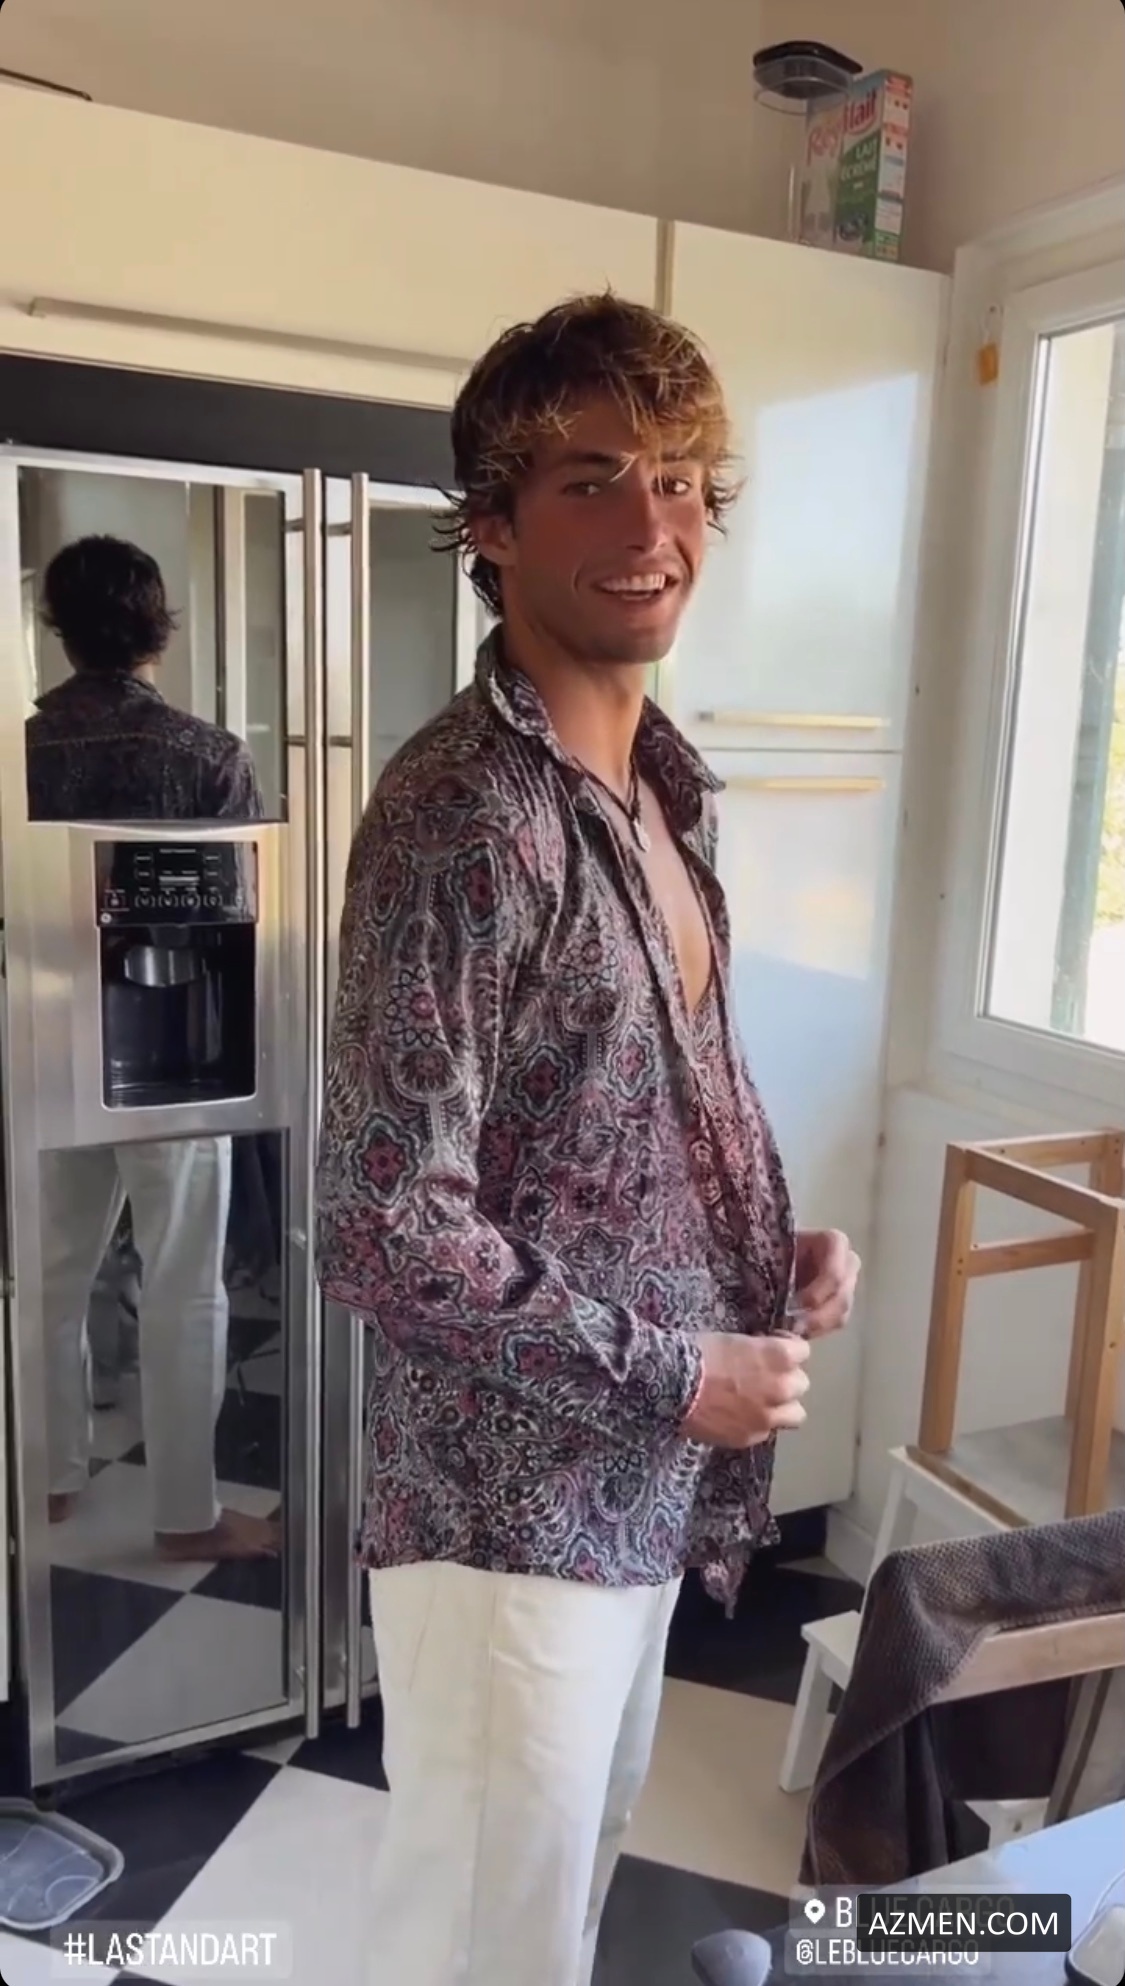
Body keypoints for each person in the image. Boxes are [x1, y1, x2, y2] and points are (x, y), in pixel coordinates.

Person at [316, 296, 861, 1986]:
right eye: (593, 479)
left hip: (628, 1495)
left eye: (683, 478)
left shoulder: (661, 791)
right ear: (491, 525)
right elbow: (386, 1226)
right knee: (481, 1947)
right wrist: (678, 1370)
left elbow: (621, 1108)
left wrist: (759, 1252)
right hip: (508, 1515)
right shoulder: (463, 815)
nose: (652, 523)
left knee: (547, 1918)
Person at [27, 533, 277, 1561]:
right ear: (157, 628)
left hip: (40, 1045)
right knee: (185, 1282)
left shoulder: (17, 752)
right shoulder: (208, 755)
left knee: (49, 1275)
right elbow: (246, 921)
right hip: (178, 1050)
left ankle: (46, 1481)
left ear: (57, 628)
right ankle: (187, 1513)